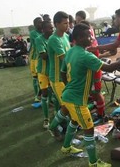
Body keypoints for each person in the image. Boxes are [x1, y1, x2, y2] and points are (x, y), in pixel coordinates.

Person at [61, 23, 120, 167]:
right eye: (88, 35)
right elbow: (109, 67)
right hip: (76, 100)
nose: (91, 37)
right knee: (89, 130)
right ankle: (94, 162)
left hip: (69, 96)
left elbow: (63, 73)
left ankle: (66, 147)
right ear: (78, 38)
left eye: (91, 34)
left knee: (74, 122)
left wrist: (70, 86)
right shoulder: (86, 55)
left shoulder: (71, 51)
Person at [47, 11, 72, 142]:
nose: (67, 25)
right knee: (67, 106)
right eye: (64, 23)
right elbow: (65, 58)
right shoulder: (53, 40)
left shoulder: (66, 36)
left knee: (68, 106)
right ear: (56, 24)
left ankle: (66, 129)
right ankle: (53, 127)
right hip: (57, 79)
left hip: (66, 78)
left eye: (68, 23)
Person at [35, 20, 55, 128]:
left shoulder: (54, 38)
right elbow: (43, 55)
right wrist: (55, 50)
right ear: (43, 30)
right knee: (45, 94)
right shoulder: (39, 39)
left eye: (52, 28)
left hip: (52, 71)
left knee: (55, 94)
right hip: (43, 72)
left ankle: (56, 114)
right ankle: (46, 119)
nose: (52, 30)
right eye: (49, 28)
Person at [29, 17, 43, 102]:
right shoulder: (33, 33)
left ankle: (40, 95)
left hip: (40, 58)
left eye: (41, 22)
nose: (40, 24)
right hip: (35, 58)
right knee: (35, 78)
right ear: (34, 25)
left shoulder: (43, 32)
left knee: (41, 78)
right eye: (39, 22)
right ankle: (37, 95)